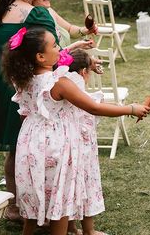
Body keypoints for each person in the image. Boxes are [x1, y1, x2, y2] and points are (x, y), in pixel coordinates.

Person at [4, 27, 150, 235]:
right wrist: (130, 109)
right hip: (56, 145)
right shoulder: (59, 83)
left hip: (30, 142)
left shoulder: (23, 80)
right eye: (54, 45)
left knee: (33, 200)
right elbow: (94, 107)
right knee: (59, 204)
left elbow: (24, 113)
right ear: (40, 56)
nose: (59, 49)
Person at [0, 0, 58, 222]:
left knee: (15, 148)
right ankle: (40, 207)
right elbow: (52, 54)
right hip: (26, 84)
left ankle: (15, 207)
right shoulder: (36, 14)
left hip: (0, 82)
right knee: (35, 147)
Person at [64, 48, 106, 235]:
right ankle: (89, 231)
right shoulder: (84, 98)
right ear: (83, 73)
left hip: (65, 151)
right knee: (87, 188)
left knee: (69, 189)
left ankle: (71, 227)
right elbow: (95, 111)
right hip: (84, 154)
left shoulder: (59, 88)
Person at [32, 0, 98, 48]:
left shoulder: (49, 11)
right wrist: (76, 46)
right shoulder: (32, 20)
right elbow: (52, 55)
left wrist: (84, 30)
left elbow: (69, 29)